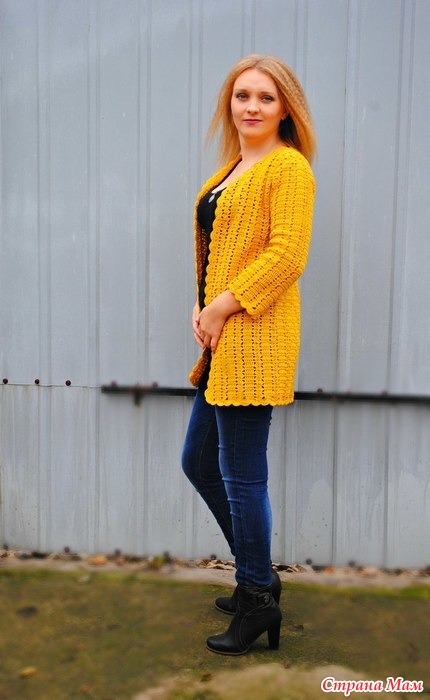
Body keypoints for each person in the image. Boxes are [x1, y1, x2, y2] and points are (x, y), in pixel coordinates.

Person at [181, 54, 316, 655]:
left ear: (285, 108)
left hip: (255, 343)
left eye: (265, 97)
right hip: (223, 342)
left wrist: (222, 306)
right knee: (199, 463)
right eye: (242, 96)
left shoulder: (288, 168)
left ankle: (258, 597)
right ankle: (257, 578)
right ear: (229, 104)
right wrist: (202, 306)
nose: (252, 107)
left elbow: (287, 255)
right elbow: (220, 249)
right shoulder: (233, 168)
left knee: (241, 477)